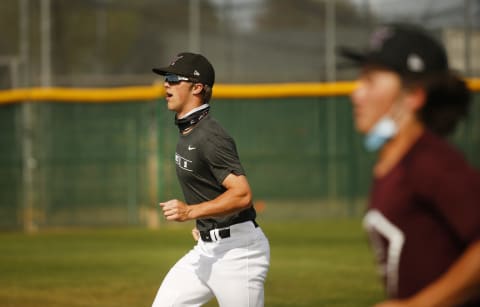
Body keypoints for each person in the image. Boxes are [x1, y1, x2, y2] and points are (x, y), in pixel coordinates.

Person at [339, 23, 480, 306]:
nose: (356, 93)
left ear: (413, 95)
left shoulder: (431, 162)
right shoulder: (395, 163)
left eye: (370, 80)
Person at [150, 52, 270, 307]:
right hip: (207, 251)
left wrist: (190, 211)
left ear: (197, 88)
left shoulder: (210, 136)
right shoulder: (190, 132)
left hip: (238, 254)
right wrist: (206, 223)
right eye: (166, 79)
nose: (166, 84)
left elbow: (242, 194)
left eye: (173, 78)